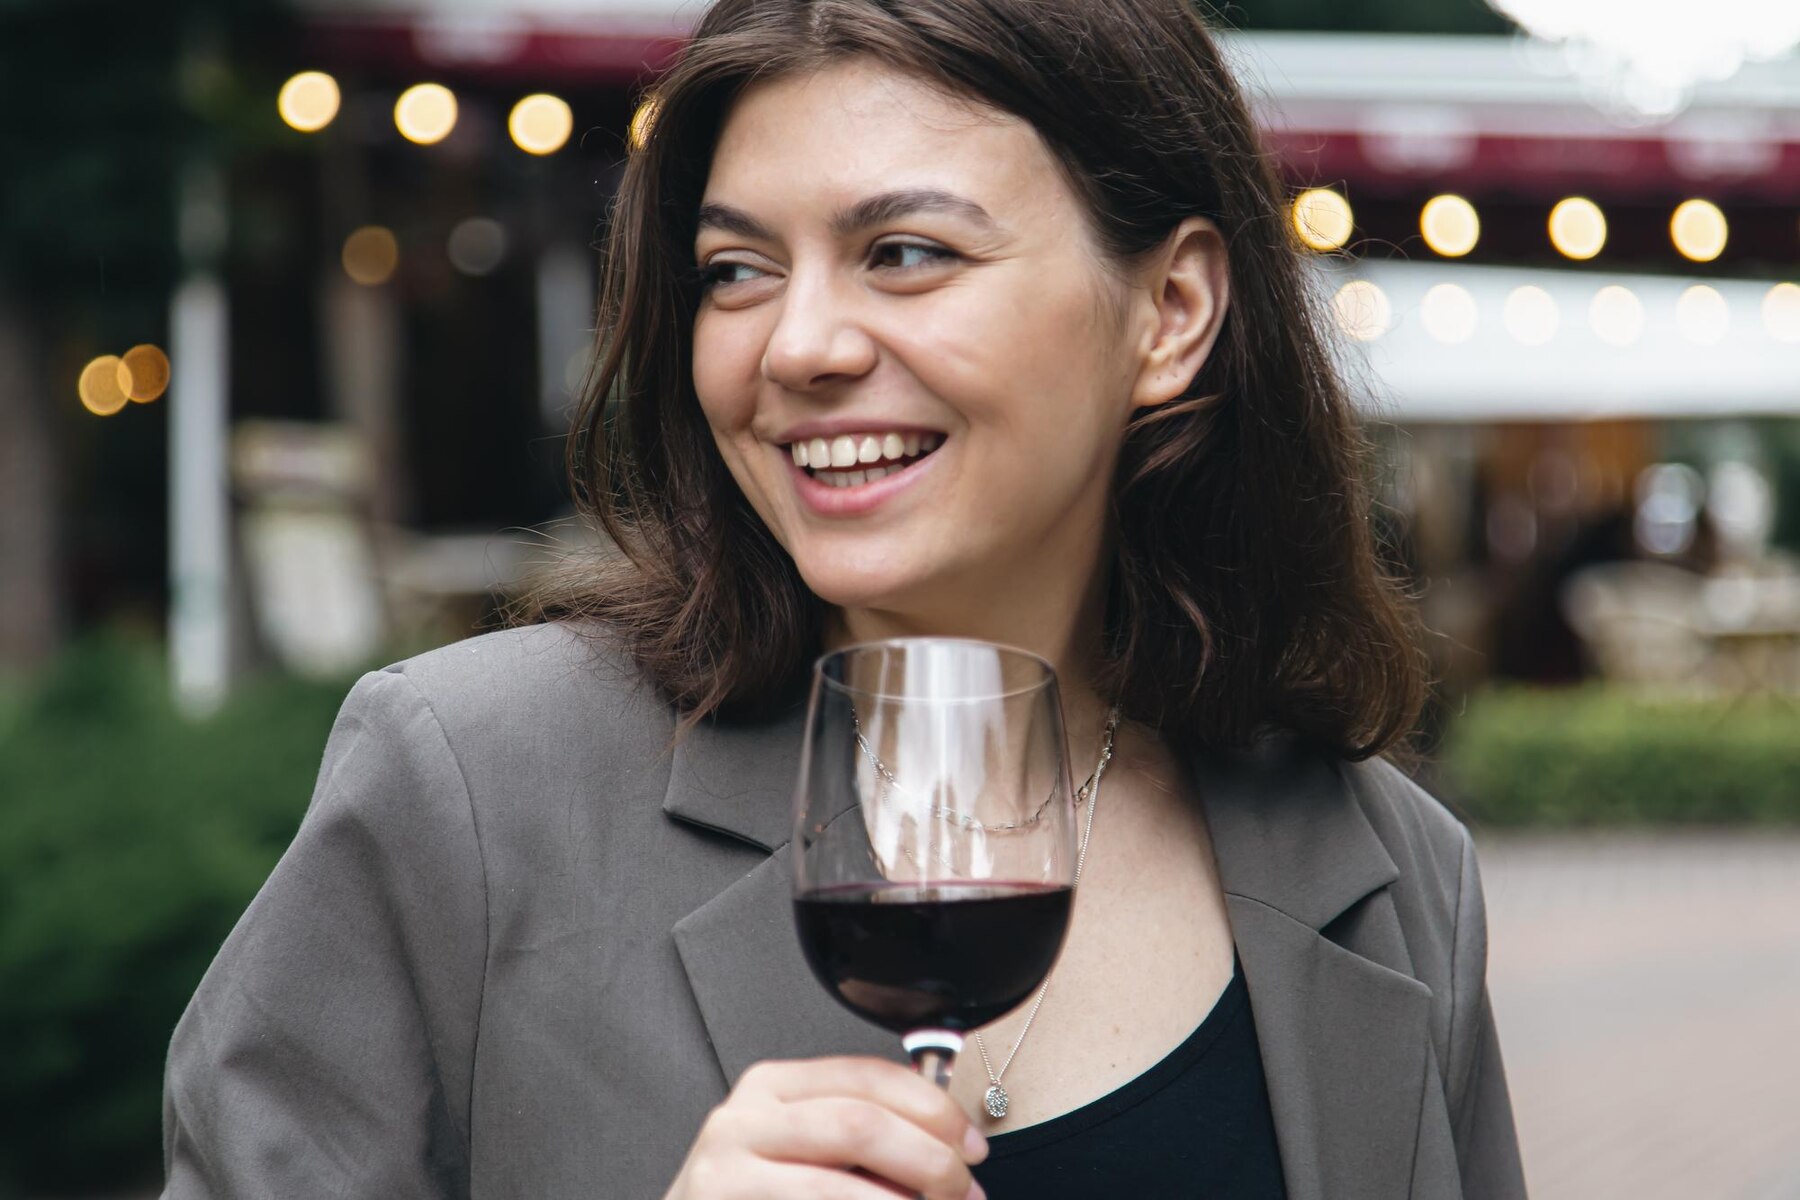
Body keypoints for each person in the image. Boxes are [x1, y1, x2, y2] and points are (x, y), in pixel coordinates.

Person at [161, 1, 1527, 1197]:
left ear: (1170, 310)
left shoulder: (1397, 880)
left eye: (906, 252)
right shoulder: (469, 791)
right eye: (737, 272)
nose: (798, 346)